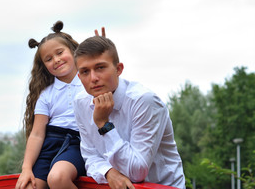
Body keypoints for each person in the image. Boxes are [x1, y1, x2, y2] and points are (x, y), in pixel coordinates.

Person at [73, 36, 186, 189]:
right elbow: (90, 156)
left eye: (100, 67)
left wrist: (104, 124)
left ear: (118, 69)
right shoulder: (81, 102)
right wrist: (108, 172)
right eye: (85, 71)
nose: (93, 78)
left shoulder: (144, 101)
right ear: (79, 77)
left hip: (160, 186)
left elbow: (136, 172)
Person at [16, 21, 104, 189]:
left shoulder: (89, 82)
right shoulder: (46, 94)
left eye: (60, 53)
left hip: (77, 142)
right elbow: (36, 134)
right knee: (27, 186)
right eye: (49, 59)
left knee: (57, 178)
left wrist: (98, 59)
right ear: (44, 66)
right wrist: (26, 168)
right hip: (49, 145)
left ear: (73, 51)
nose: (56, 60)